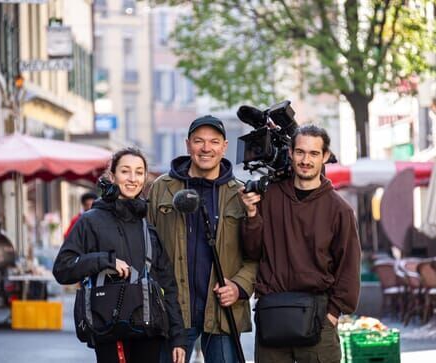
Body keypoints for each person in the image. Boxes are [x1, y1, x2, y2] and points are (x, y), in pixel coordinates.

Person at [239, 125, 361, 363]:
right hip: (272, 313)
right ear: (290, 153)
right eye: (300, 152)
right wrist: (252, 215)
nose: (306, 160)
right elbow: (252, 252)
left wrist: (333, 314)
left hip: (319, 315)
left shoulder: (340, 210)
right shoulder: (268, 197)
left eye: (314, 153)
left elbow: (349, 266)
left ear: (325, 156)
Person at [53, 147, 187, 363]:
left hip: (148, 331)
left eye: (139, 172)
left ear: (145, 178)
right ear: (112, 176)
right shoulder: (90, 221)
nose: (133, 178)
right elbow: (62, 268)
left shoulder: (148, 226)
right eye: (125, 171)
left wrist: (178, 338)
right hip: (108, 326)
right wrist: (104, 260)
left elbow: (168, 285)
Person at [148, 115, 257, 363]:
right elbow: (146, 246)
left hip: (221, 312)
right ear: (188, 145)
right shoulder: (161, 189)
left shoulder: (239, 194)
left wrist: (239, 287)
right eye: (199, 141)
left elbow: (256, 254)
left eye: (213, 141)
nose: (206, 148)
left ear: (224, 146)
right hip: (173, 313)